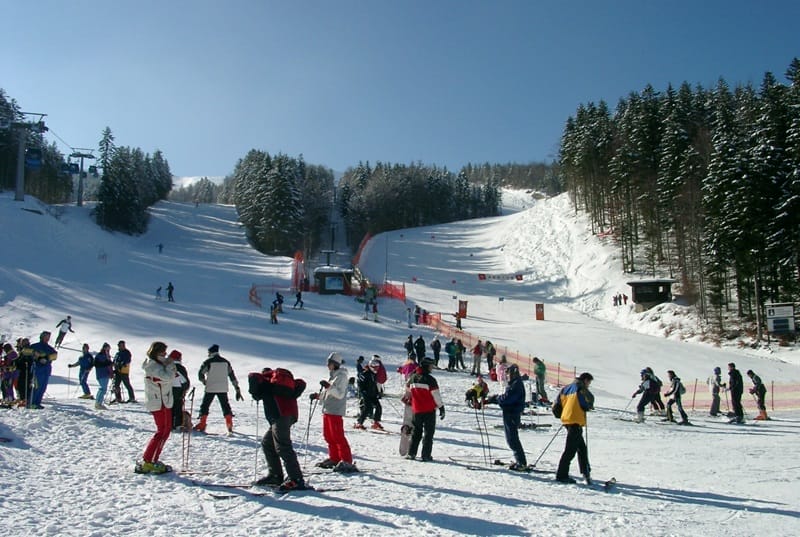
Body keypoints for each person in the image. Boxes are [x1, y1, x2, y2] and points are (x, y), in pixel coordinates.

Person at [248, 366, 307, 491]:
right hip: (288, 415)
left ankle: (296, 479)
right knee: (267, 443)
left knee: (282, 446)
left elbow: (253, 379)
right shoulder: (282, 383)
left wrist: (256, 389)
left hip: (280, 415)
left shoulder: (265, 382)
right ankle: (275, 475)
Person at [309, 352, 357, 472]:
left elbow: (339, 394)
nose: (327, 365)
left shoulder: (341, 377)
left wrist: (328, 387)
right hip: (328, 409)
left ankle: (346, 461)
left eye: (329, 363)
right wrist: (318, 396)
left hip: (335, 410)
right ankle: (334, 458)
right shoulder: (334, 375)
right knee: (328, 436)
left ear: (335, 364)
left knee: (337, 436)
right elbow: (329, 392)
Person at [135, 341, 176, 474]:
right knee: (162, 431)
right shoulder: (153, 366)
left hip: (162, 401)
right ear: (157, 352)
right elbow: (169, 377)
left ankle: (152, 459)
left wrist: (168, 363)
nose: (165, 354)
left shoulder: (155, 364)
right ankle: (149, 461)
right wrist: (170, 363)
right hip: (160, 402)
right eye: (163, 352)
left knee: (165, 431)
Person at [555, 372, 594, 484]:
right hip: (575, 421)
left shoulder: (566, 388)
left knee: (581, 447)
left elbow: (557, 404)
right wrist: (587, 407)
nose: (588, 385)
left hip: (568, 420)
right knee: (570, 450)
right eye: (589, 382)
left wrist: (563, 414)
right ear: (585, 380)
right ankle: (562, 475)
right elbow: (588, 402)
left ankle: (585, 471)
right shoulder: (580, 388)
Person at [194, 344, 243, 433]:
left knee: (205, 405)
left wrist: (204, 382)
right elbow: (232, 375)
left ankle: (202, 424)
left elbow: (200, 374)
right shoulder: (226, 362)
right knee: (225, 406)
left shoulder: (208, 362)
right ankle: (229, 425)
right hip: (223, 388)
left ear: (210, 352)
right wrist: (237, 387)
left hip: (211, 387)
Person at [486, 364, 527, 470]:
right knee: (511, 438)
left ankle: (521, 462)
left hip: (512, 413)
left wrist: (496, 399)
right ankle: (520, 461)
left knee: (512, 439)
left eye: (508, 374)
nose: (507, 376)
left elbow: (507, 399)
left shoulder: (516, 384)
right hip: (509, 412)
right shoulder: (514, 383)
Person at [404, 357, 445, 462]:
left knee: (416, 432)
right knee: (428, 433)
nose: (432, 368)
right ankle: (426, 455)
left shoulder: (413, 377)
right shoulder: (430, 380)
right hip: (429, 410)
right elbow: (436, 395)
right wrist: (441, 407)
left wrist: (408, 400)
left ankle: (411, 453)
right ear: (427, 366)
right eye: (431, 366)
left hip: (416, 410)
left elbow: (408, 392)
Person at [29, 331, 57, 409]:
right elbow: (28, 352)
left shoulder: (49, 348)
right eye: (46, 337)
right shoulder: (35, 346)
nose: (47, 339)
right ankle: (32, 402)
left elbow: (55, 355)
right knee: (37, 386)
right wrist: (38, 357)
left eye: (48, 337)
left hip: (46, 370)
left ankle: (37, 403)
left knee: (43, 387)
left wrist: (47, 358)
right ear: (42, 337)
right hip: (37, 369)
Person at [355, 356, 384, 430]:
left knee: (378, 407)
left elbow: (374, 384)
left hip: (373, 394)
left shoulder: (373, 374)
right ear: (371, 366)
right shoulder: (365, 373)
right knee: (367, 408)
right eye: (375, 367)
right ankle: (359, 422)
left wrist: (378, 392)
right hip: (366, 394)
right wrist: (363, 391)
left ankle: (376, 422)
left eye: (377, 367)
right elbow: (359, 383)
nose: (376, 369)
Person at [169, 350, 190, 430]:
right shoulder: (180, 368)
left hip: (168, 389)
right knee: (178, 407)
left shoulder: (167, 366)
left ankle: (169, 424)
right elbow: (185, 381)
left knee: (169, 407)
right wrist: (185, 388)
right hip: (178, 390)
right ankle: (178, 424)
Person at [93, 343, 113, 410]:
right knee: (103, 389)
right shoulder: (100, 355)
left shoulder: (107, 356)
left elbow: (109, 364)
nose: (108, 350)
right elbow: (97, 364)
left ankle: (98, 403)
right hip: (101, 374)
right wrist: (106, 363)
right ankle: (98, 403)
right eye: (107, 348)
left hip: (105, 374)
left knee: (103, 389)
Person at [14, 338, 34, 405]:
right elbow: (20, 359)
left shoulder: (28, 349)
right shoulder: (23, 350)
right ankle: (23, 399)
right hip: (22, 370)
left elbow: (28, 359)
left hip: (26, 370)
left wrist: (20, 361)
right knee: (21, 385)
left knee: (24, 385)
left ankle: (25, 399)